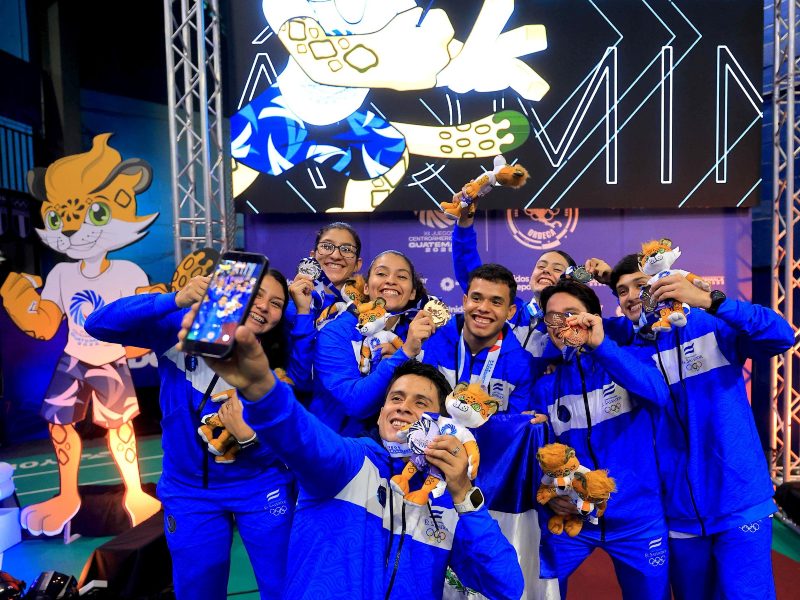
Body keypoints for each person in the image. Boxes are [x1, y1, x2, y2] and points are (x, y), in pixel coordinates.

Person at [176, 300, 525, 600]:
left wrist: (465, 495)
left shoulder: (448, 502)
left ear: (443, 423)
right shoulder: (352, 461)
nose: (403, 407)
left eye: (421, 402)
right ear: (382, 411)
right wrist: (262, 389)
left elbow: (507, 585)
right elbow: (302, 437)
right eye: (395, 398)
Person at [85, 269, 314, 600]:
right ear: (232, 292)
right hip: (190, 492)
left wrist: (253, 441)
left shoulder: (276, 355)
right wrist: (174, 299)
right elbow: (98, 324)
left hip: (262, 486)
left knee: (283, 587)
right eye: (256, 294)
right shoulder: (181, 327)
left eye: (276, 303)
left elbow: (299, 392)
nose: (263, 306)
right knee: (198, 591)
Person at [608, 254, 794, 600]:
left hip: (739, 502)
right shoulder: (626, 354)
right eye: (621, 290)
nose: (631, 295)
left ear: (662, 282)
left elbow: (781, 336)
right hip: (678, 513)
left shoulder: (709, 323)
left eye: (639, 284)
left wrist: (712, 301)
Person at [451, 207, 610, 357]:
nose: (545, 270)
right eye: (541, 266)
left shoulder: (576, 324)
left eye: (556, 269)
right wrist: (465, 221)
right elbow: (471, 273)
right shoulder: (508, 309)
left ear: (571, 280)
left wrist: (611, 279)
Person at [311, 250, 434, 435]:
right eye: (381, 273)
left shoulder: (420, 334)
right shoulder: (336, 333)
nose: (391, 280)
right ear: (367, 287)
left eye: (401, 276)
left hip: (395, 451)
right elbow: (354, 403)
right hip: (337, 448)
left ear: (412, 292)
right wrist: (404, 354)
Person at [421, 263, 535, 414]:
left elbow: (512, 428)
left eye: (496, 302)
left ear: (510, 311)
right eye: (476, 298)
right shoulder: (432, 341)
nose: (483, 308)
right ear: (464, 301)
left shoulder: (522, 364)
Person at [286, 221, 364, 327]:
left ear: (357, 265)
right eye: (326, 246)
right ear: (313, 257)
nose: (336, 256)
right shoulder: (286, 312)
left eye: (346, 249)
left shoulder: (366, 312)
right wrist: (303, 312)